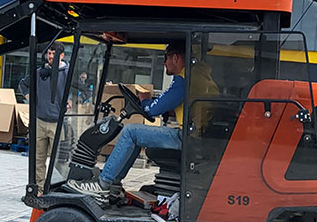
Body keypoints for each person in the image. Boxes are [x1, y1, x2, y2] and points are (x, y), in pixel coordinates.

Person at [66, 40, 217, 196]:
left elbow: (152, 110)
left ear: (175, 58)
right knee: (137, 136)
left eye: (165, 58)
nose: (164, 63)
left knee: (131, 132)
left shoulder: (185, 79)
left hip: (186, 137)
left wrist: (144, 99)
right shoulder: (201, 76)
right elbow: (182, 105)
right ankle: (114, 185)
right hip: (197, 137)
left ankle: (103, 184)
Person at [19, 42, 69, 191]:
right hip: (39, 121)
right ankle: (39, 189)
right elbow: (23, 84)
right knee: (38, 158)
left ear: (62, 55)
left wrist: (73, 100)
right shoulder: (40, 72)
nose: (51, 56)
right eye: (49, 53)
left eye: (54, 54)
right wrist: (29, 98)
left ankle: (55, 188)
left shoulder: (67, 74)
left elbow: (82, 90)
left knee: (58, 160)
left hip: (57, 123)